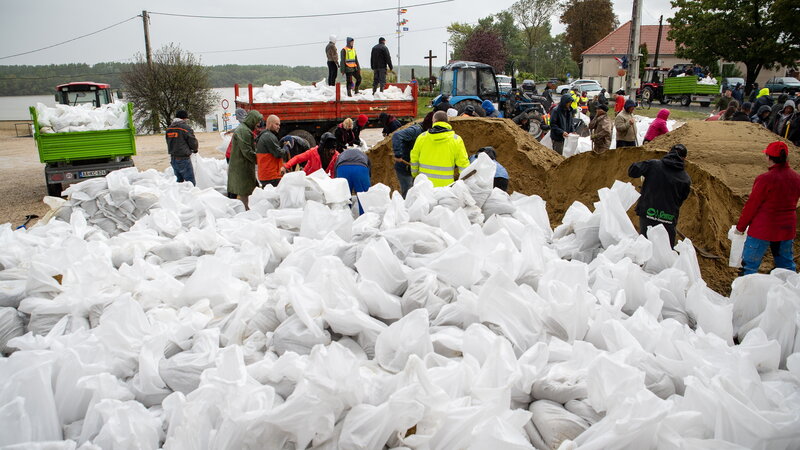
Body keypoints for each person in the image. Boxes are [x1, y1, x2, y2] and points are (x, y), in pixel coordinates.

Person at [735, 141, 800, 275]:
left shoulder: (765, 179)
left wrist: (740, 227)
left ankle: (745, 293)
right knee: (786, 266)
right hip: (786, 228)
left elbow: (752, 206)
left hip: (763, 228)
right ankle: (790, 292)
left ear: (769, 158)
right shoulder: (796, 178)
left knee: (749, 266)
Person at [628, 144, 691, 247]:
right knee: (665, 250)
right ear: (684, 158)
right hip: (668, 218)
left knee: (645, 247)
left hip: (648, 213)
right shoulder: (685, 179)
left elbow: (632, 171)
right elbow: (681, 199)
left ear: (669, 153)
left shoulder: (653, 165)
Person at [410, 110, 469, 187]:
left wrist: (415, 174)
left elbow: (414, 159)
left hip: (424, 185)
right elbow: (463, 163)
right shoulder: (456, 140)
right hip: (445, 187)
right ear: (447, 122)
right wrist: (465, 181)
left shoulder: (422, 137)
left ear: (433, 121)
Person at [228, 110, 263, 210]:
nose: (258, 124)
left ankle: (246, 209)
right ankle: (246, 211)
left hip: (241, 165)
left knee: (247, 188)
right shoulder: (244, 131)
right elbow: (247, 151)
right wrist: (261, 160)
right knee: (244, 190)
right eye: (257, 121)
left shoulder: (244, 129)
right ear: (252, 120)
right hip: (242, 166)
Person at [166, 110, 199, 186]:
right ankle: (192, 196)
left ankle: (179, 196)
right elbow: (192, 141)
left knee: (179, 181)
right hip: (183, 158)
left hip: (173, 158)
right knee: (190, 182)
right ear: (184, 118)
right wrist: (195, 149)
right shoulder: (185, 128)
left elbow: (168, 141)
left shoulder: (169, 128)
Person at [254, 115, 287, 188]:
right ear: (269, 124)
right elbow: (278, 154)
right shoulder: (268, 136)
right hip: (271, 176)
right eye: (276, 124)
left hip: (266, 175)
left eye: (279, 125)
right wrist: (286, 148)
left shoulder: (265, 135)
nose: (278, 127)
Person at [391, 122, 424, 196]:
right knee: (408, 192)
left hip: (416, 168)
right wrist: (398, 154)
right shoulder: (416, 131)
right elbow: (397, 135)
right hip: (405, 168)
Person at [335, 146, 371, 213]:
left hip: (342, 168)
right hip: (360, 169)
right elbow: (369, 170)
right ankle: (365, 219)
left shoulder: (341, 155)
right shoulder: (363, 155)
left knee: (343, 198)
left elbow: (335, 170)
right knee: (364, 197)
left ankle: (344, 218)